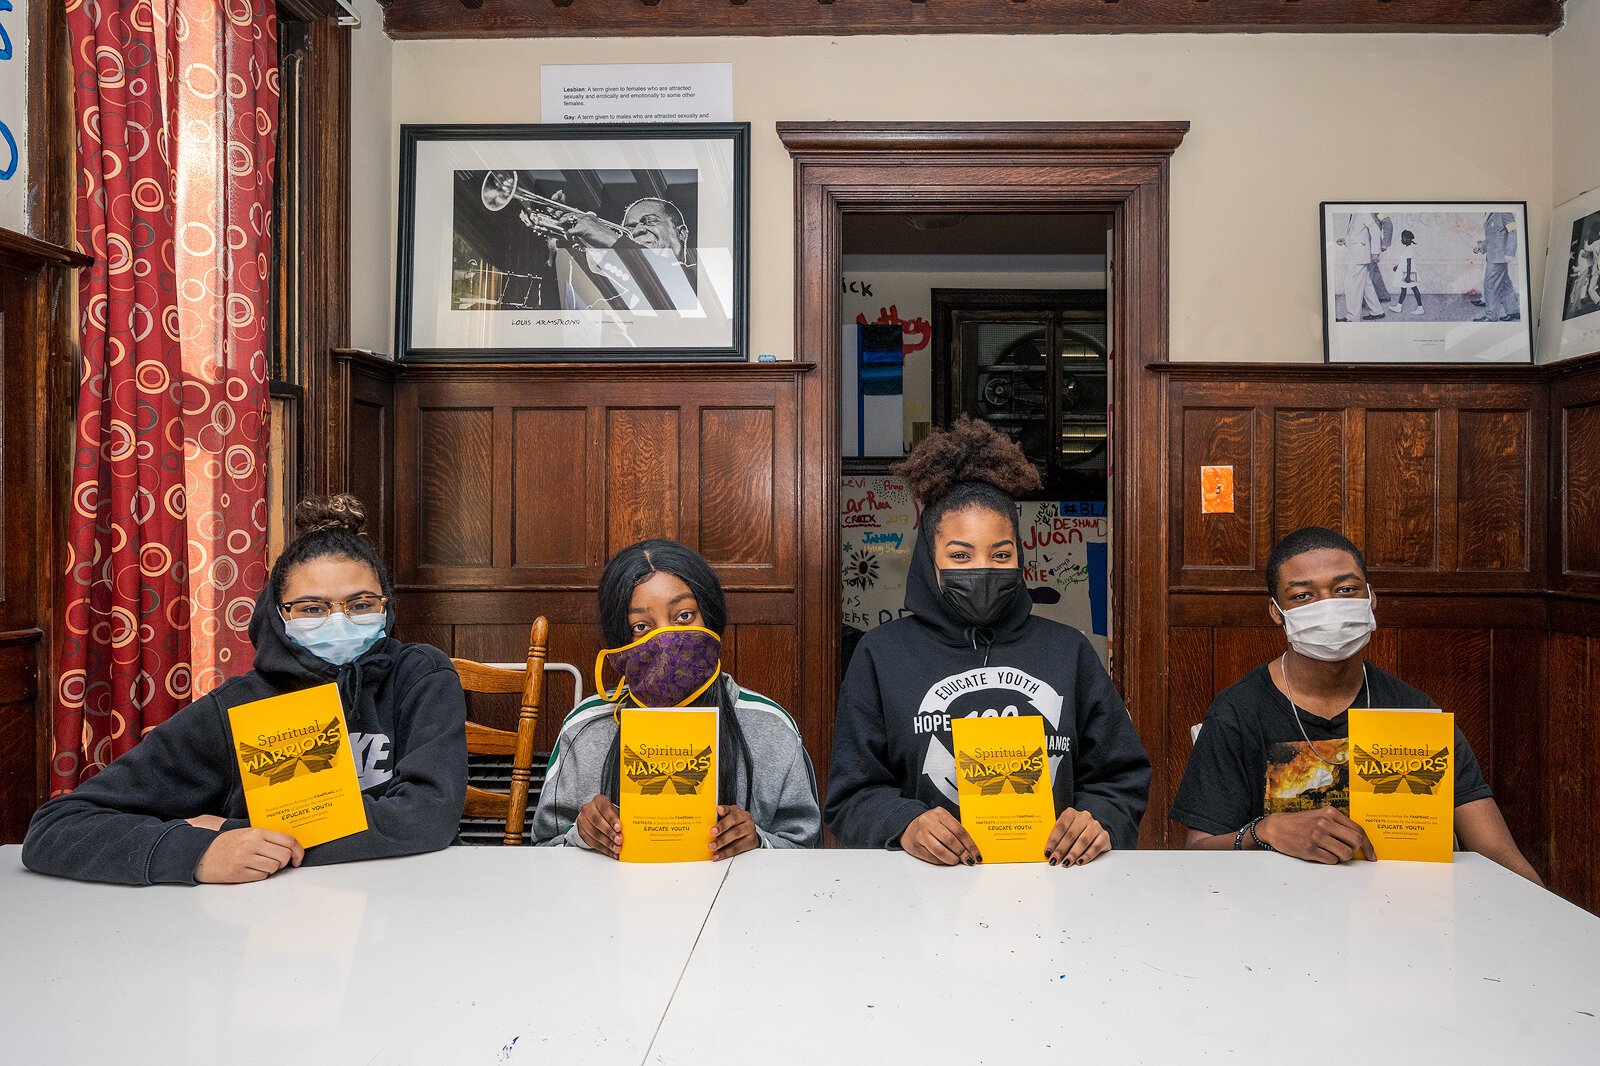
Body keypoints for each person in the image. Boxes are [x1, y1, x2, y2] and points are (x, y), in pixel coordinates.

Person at [22, 495, 468, 885]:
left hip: (412, 895)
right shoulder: (237, 706)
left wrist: (232, 832)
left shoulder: (420, 675)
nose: (339, 619)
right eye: (312, 608)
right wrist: (196, 854)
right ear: (277, 614)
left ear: (385, 607)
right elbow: (55, 829)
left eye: (361, 604)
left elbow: (427, 817)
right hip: (277, 923)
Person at [826, 417, 1151, 867]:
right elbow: (851, 795)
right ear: (929, 560)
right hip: (920, 895)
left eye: (1000, 554)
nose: (983, 568)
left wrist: (1100, 818)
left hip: (1056, 887)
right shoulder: (881, 655)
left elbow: (1122, 776)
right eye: (960, 555)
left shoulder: (1068, 651)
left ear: (1020, 557)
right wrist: (904, 823)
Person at [1169, 526, 1541, 884]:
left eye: (1345, 589)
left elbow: (1495, 850)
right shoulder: (1239, 712)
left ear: (1371, 599)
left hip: (1399, 918)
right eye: (1303, 596)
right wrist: (1265, 831)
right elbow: (1200, 853)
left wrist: (1538, 909)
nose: (1329, 608)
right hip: (1278, 922)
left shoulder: (1412, 710)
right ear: (1276, 612)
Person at [530, 539, 820, 856]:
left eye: (683, 616)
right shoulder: (586, 726)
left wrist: (758, 842)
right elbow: (543, 849)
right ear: (620, 639)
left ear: (710, 616)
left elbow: (805, 848)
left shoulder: (769, 725)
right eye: (641, 625)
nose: (667, 639)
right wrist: (581, 835)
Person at [534, 194, 698, 313]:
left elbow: (674, 284)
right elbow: (557, 321)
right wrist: (557, 257)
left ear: (682, 233)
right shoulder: (611, 295)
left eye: (650, 221)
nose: (637, 231)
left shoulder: (701, 276)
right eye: (629, 228)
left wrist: (605, 236)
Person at [1335, 212, 1386, 322]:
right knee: (1366, 285)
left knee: (1350, 284)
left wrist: (1375, 252)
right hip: (1357, 254)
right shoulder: (1354, 214)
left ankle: (1352, 317)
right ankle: (1377, 311)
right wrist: (1345, 241)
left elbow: (1376, 231)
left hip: (1359, 256)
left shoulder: (1362, 213)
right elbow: (1357, 235)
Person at [1474, 211, 1521, 322]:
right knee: (1505, 284)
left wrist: (1510, 252)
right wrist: (1482, 246)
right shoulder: (1489, 212)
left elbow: (1513, 231)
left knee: (1490, 284)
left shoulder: (1504, 212)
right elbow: (1495, 235)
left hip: (1499, 256)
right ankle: (1513, 311)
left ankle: (1491, 316)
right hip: (1495, 254)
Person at [1384, 229, 1426, 316]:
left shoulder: (1409, 250)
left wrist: (1408, 276)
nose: (1401, 240)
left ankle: (1420, 308)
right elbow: (1404, 262)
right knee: (1404, 289)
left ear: (1408, 239)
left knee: (1414, 289)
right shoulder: (1407, 249)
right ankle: (1399, 307)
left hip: (1409, 273)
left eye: (1402, 238)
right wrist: (1398, 267)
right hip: (1407, 272)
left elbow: (1409, 263)